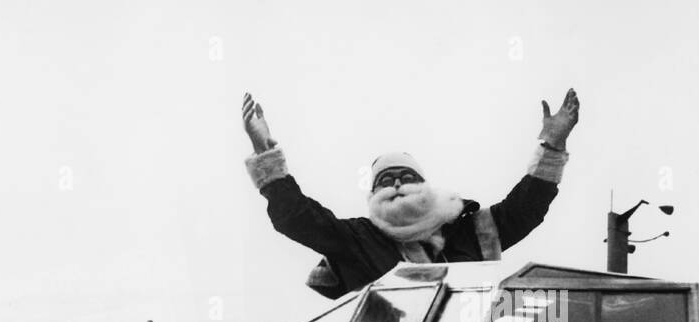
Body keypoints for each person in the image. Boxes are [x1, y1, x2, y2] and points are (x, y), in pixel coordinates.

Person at [241, 88, 580, 298]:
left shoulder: (471, 230)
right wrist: (265, 153)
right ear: (373, 193)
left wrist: (553, 144)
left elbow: (525, 209)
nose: (397, 184)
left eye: (405, 176)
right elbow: (298, 218)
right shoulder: (358, 238)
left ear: (424, 185)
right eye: (385, 180)